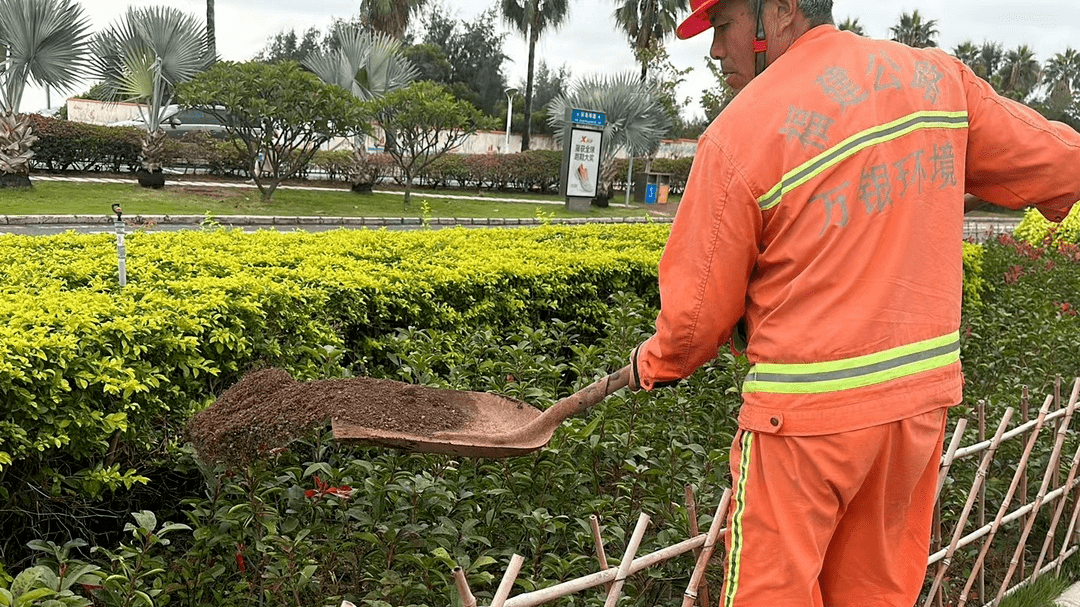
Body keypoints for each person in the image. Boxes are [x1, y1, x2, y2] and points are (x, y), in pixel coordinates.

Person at [626, 0, 1080, 605]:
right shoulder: (937, 82)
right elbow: (1057, 160)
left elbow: (692, 323)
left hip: (803, 426)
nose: (714, 51)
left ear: (780, 11)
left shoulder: (739, 133)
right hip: (914, 413)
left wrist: (652, 362)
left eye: (723, 25)